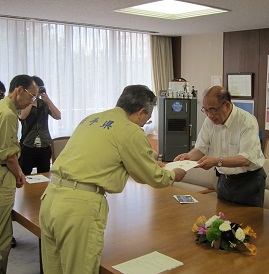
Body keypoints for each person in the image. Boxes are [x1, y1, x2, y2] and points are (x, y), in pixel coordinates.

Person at [39, 84, 186, 274]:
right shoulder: (130, 130)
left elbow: (105, 156)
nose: (143, 125)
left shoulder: (90, 119)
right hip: (79, 207)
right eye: (146, 120)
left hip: (51, 198)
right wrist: (174, 174)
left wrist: (146, 162)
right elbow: (153, 177)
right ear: (141, 112)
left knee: (54, 268)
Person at [174, 85, 266, 207]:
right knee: (221, 222)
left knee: (248, 224)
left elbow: (246, 159)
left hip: (248, 181)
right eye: (205, 110)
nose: (209, 115)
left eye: (213, 110)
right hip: (224, 180)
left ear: (227, 105)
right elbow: (200, 148)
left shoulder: (246, 121)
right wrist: (188, 157)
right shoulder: (209, 121)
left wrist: (217, 161)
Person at [0, 74, 38, 273]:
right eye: (31, 97)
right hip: (3, 175)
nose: (32, 102)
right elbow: (9, 155)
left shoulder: (2, 107)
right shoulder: (8, 114)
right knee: (3, 236)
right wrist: (19, 174)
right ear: (19, 90)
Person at [18, 76, 61, 175]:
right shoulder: (23, 103)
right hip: (28, 145)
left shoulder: (44, 104)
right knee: (25, 175)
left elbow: (58, 116)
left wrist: (48, 100)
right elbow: (22, 116)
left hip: (44, 145)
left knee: (44, 175)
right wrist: (32, 100)